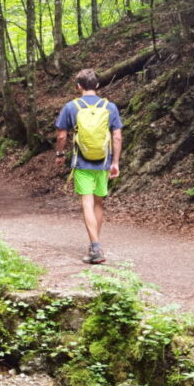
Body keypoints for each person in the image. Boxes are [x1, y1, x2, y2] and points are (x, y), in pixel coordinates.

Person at [55, 68, 123, 264]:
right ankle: (95, 243)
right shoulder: (110, 107)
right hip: (103, 161)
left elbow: (61, 135)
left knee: (87, 202)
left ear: (78, 86)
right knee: (99, 203)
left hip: (82, 162)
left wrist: (60, 153)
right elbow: (117, 136)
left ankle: (95, 247)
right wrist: (115, 162)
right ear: (98, 85)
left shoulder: (71, 107)